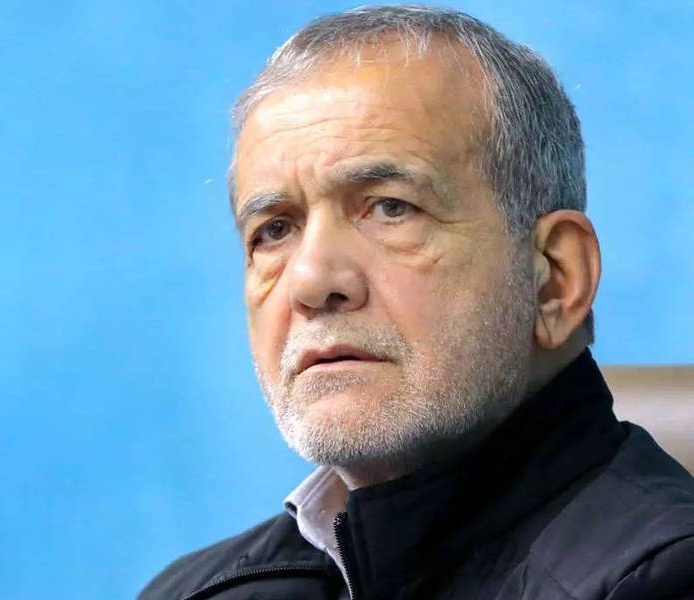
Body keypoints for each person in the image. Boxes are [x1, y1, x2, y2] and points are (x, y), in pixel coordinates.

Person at [139, 6, 694, 599]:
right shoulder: (194, 590)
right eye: (274, 230)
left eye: (390, 208)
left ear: (555, 279)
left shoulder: (663, 580)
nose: (311, 281)